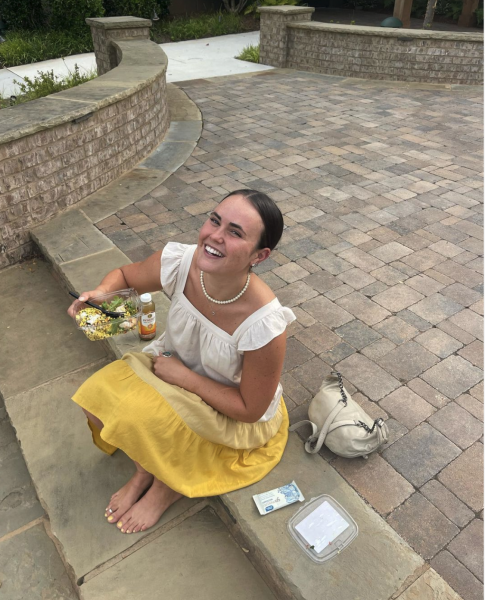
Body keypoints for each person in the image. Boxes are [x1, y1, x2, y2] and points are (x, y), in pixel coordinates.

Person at [68, 189, 296, 535]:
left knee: (156, 424)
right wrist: (102, 293)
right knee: (94, 399)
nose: (215, 236)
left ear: (259, 255)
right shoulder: (180, 262)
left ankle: (166, 488)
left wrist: (184, 378)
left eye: (235, 232)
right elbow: (126, 277)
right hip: (169, 368)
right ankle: (146, 470)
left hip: (225, 406)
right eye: (214, 220)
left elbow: (250, 409)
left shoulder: (265, 324)